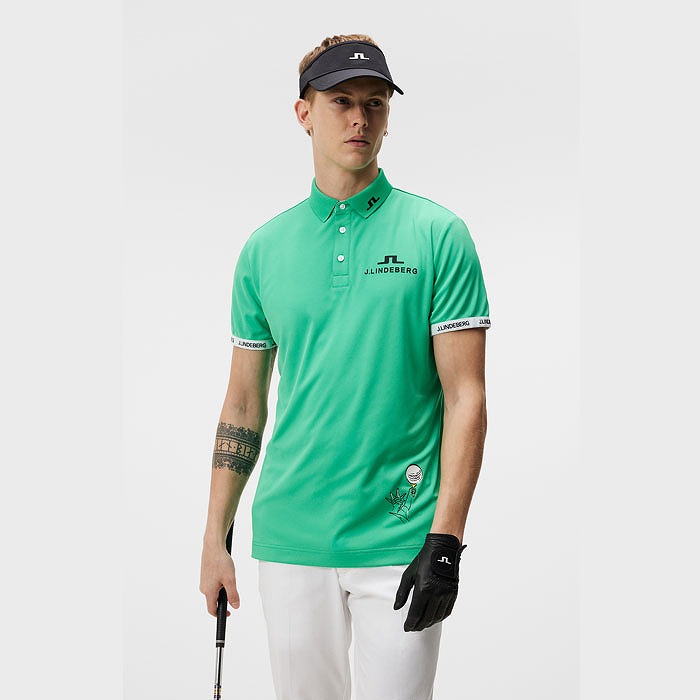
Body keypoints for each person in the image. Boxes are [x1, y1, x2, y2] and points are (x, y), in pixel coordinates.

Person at [199, 33, 491, 700]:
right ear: (304, 113)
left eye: (375, 102)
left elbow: (466, 397)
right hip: (290, 538)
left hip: (401, 537)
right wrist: (215, 537)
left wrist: (446, 539)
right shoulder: (264, 250)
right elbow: (243, 403)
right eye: (340, 102)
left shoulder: (438, 236)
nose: (360, 118)